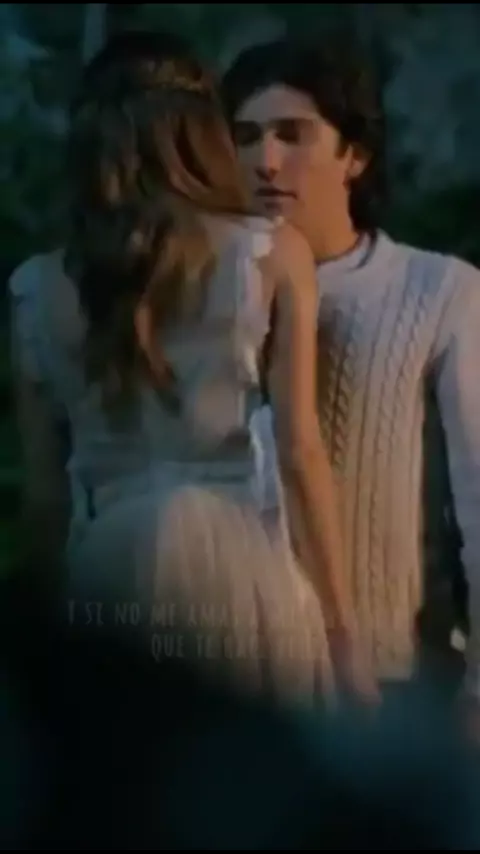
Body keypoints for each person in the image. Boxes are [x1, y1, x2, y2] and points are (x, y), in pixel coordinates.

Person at [9, 31, 375, 706]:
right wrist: (343, 635)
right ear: (200, 132)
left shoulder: (34, 288)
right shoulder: (269, 253)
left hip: (109, 570)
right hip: (237, 563)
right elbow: (299, 453)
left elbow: (44, 496)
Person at [222, 36, 480, 725]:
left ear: (354, 156)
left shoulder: (437, 289)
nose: (265, 160)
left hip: (393, 672)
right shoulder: (207, 290)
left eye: (292, 135)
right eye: (245, 137)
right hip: (242, 669)